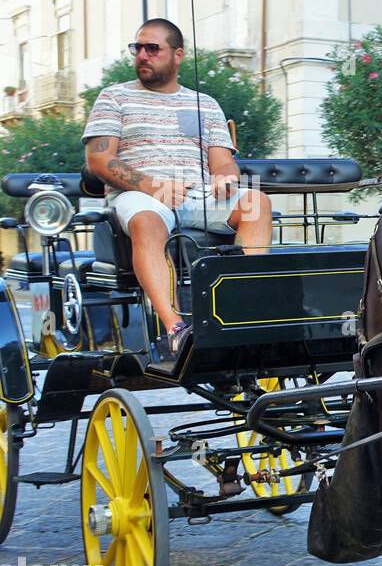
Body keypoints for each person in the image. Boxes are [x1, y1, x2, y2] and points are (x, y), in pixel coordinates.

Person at [82, 18, 273, 360]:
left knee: (256, 201)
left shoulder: (205, 104)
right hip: (138, 193)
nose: (142, 55)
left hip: (197, 193)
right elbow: (99, 161)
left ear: (178, 54)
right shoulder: (114, 97)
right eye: (137, 48)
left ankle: (244, 309)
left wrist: (225, 177)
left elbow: (223, 161)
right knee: (147, 222)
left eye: (152, 48)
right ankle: (175, 328)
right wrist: (154, 187)